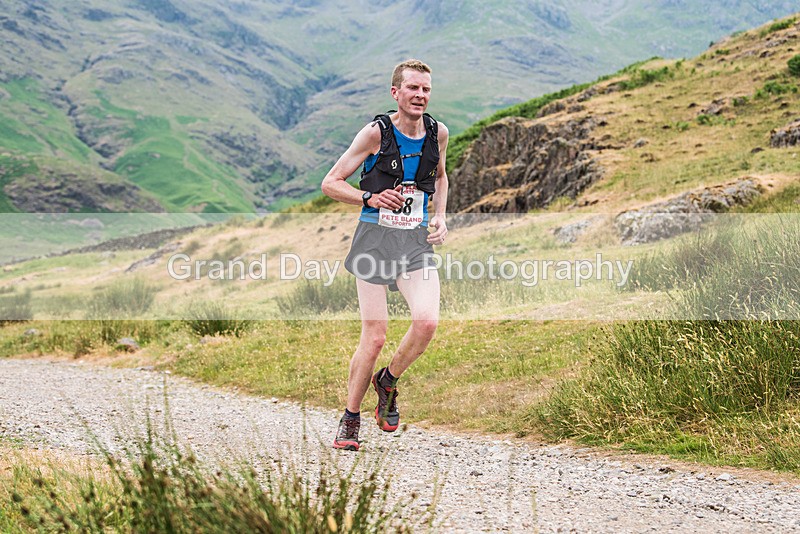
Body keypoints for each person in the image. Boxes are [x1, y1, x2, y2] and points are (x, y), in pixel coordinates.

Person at [320, 59, 449, 451]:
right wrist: (369, 197)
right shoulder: (375, 133)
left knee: (426, 322)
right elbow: (330, 182)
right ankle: (350, 418)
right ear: (396, 92)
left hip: (414, 242)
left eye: (425, 89)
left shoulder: (438, 133)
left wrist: (441, 216)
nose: (420, 95)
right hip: (375, 241)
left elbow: (440, 177)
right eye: (412, 88)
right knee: (374, 337)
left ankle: (387, 381)